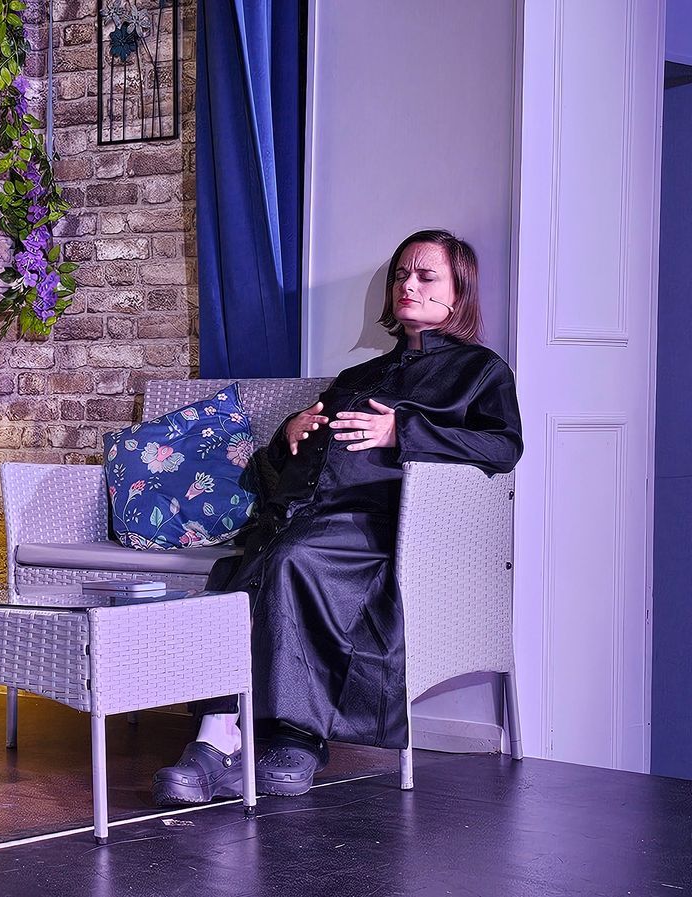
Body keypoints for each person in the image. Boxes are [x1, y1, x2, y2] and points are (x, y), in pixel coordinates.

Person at [152, 229, 524, 805]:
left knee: (290, 560)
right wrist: (291, 433)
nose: (408, 285)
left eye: (426, 276)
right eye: (401, 275)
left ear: (459, 293)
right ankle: (215, 736)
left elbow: (504, 447)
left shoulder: (479, 372)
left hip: (380, 526)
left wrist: (403, 431)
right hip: (306, 513)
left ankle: (296, 738)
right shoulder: (359, 377)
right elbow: (294, 459)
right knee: (242, 572)